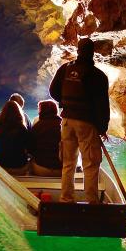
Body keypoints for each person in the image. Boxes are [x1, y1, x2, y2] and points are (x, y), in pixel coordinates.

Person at [49, 37, 109, 204]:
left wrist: (64, 102)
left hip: (67, 121)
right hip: (86, 123)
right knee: (90, 164)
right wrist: (102, 128)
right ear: (93, 52)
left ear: (78, 50)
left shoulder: (65, 69)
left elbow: (53, 90)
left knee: (68, 163)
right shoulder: (98, 76)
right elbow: (102, 105)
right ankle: (91, 201)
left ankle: (66, 198)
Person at [0, 100, 30, 175]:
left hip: (1, 167)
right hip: (19, 168)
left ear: (3, 112)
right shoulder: (22, 128)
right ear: (18, 113)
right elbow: (27, 146)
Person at [29, 100, 62, 177]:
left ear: (41, 112)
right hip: (61, 170)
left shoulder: (37, 127)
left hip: (41, 169)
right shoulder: (63, 125)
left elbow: (30, 149)